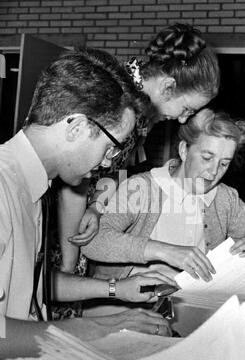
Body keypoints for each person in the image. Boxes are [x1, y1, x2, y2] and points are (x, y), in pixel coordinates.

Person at [0, 48, 176, 359]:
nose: (109, 162)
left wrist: (115, 291)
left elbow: (28, 285)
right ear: (76, 127)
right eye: (111, 147)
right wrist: (94, 331)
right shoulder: (3, 187)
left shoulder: (34, 183)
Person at [58, 23, 220, 275]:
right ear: (168, 86)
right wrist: (68, 267)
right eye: (187, 109)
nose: (182, 119)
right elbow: (72, 179)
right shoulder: (112, 97)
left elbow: (118, 167)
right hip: (59, 219)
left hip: (82, 211)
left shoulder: (145, 110)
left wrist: (98, 205)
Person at [82, 109, 245, 285]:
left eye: (224, 164)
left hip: (192, 301)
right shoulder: (141, 187)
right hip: (129, 304)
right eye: (207, 158)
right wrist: (164, 251)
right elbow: (93, 243)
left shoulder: (225, 198)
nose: (213, 172)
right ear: (184, 150)